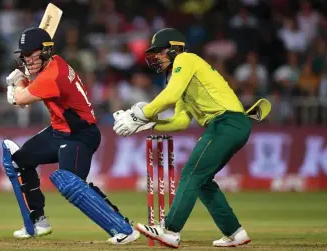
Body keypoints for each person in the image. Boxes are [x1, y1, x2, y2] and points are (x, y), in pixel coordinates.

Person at [113, 28, 270, 248]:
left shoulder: (186, 59)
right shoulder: (183, 79)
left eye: (160, 51)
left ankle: (170, 230)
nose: (156, 56)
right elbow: (181, 121)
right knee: (202, 180)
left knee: (191, 173)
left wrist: (142, 114)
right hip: (227, 125)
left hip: (228, 122)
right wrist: (149, 124)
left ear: (175, 48)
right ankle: (235, 233)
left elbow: (169, 96)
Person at [2, 27, 140, 244]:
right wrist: (25, 78)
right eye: (24, 55)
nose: (26, 59)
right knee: (19, 161)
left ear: (45, 51)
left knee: (70, 183)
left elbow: (20, 100)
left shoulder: (52, 75)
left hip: (80, 135)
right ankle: (37, 222)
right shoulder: (55, 61)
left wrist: (17, 82)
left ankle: (122, 228)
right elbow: (30, 88)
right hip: (59, 131)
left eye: (31, 54)